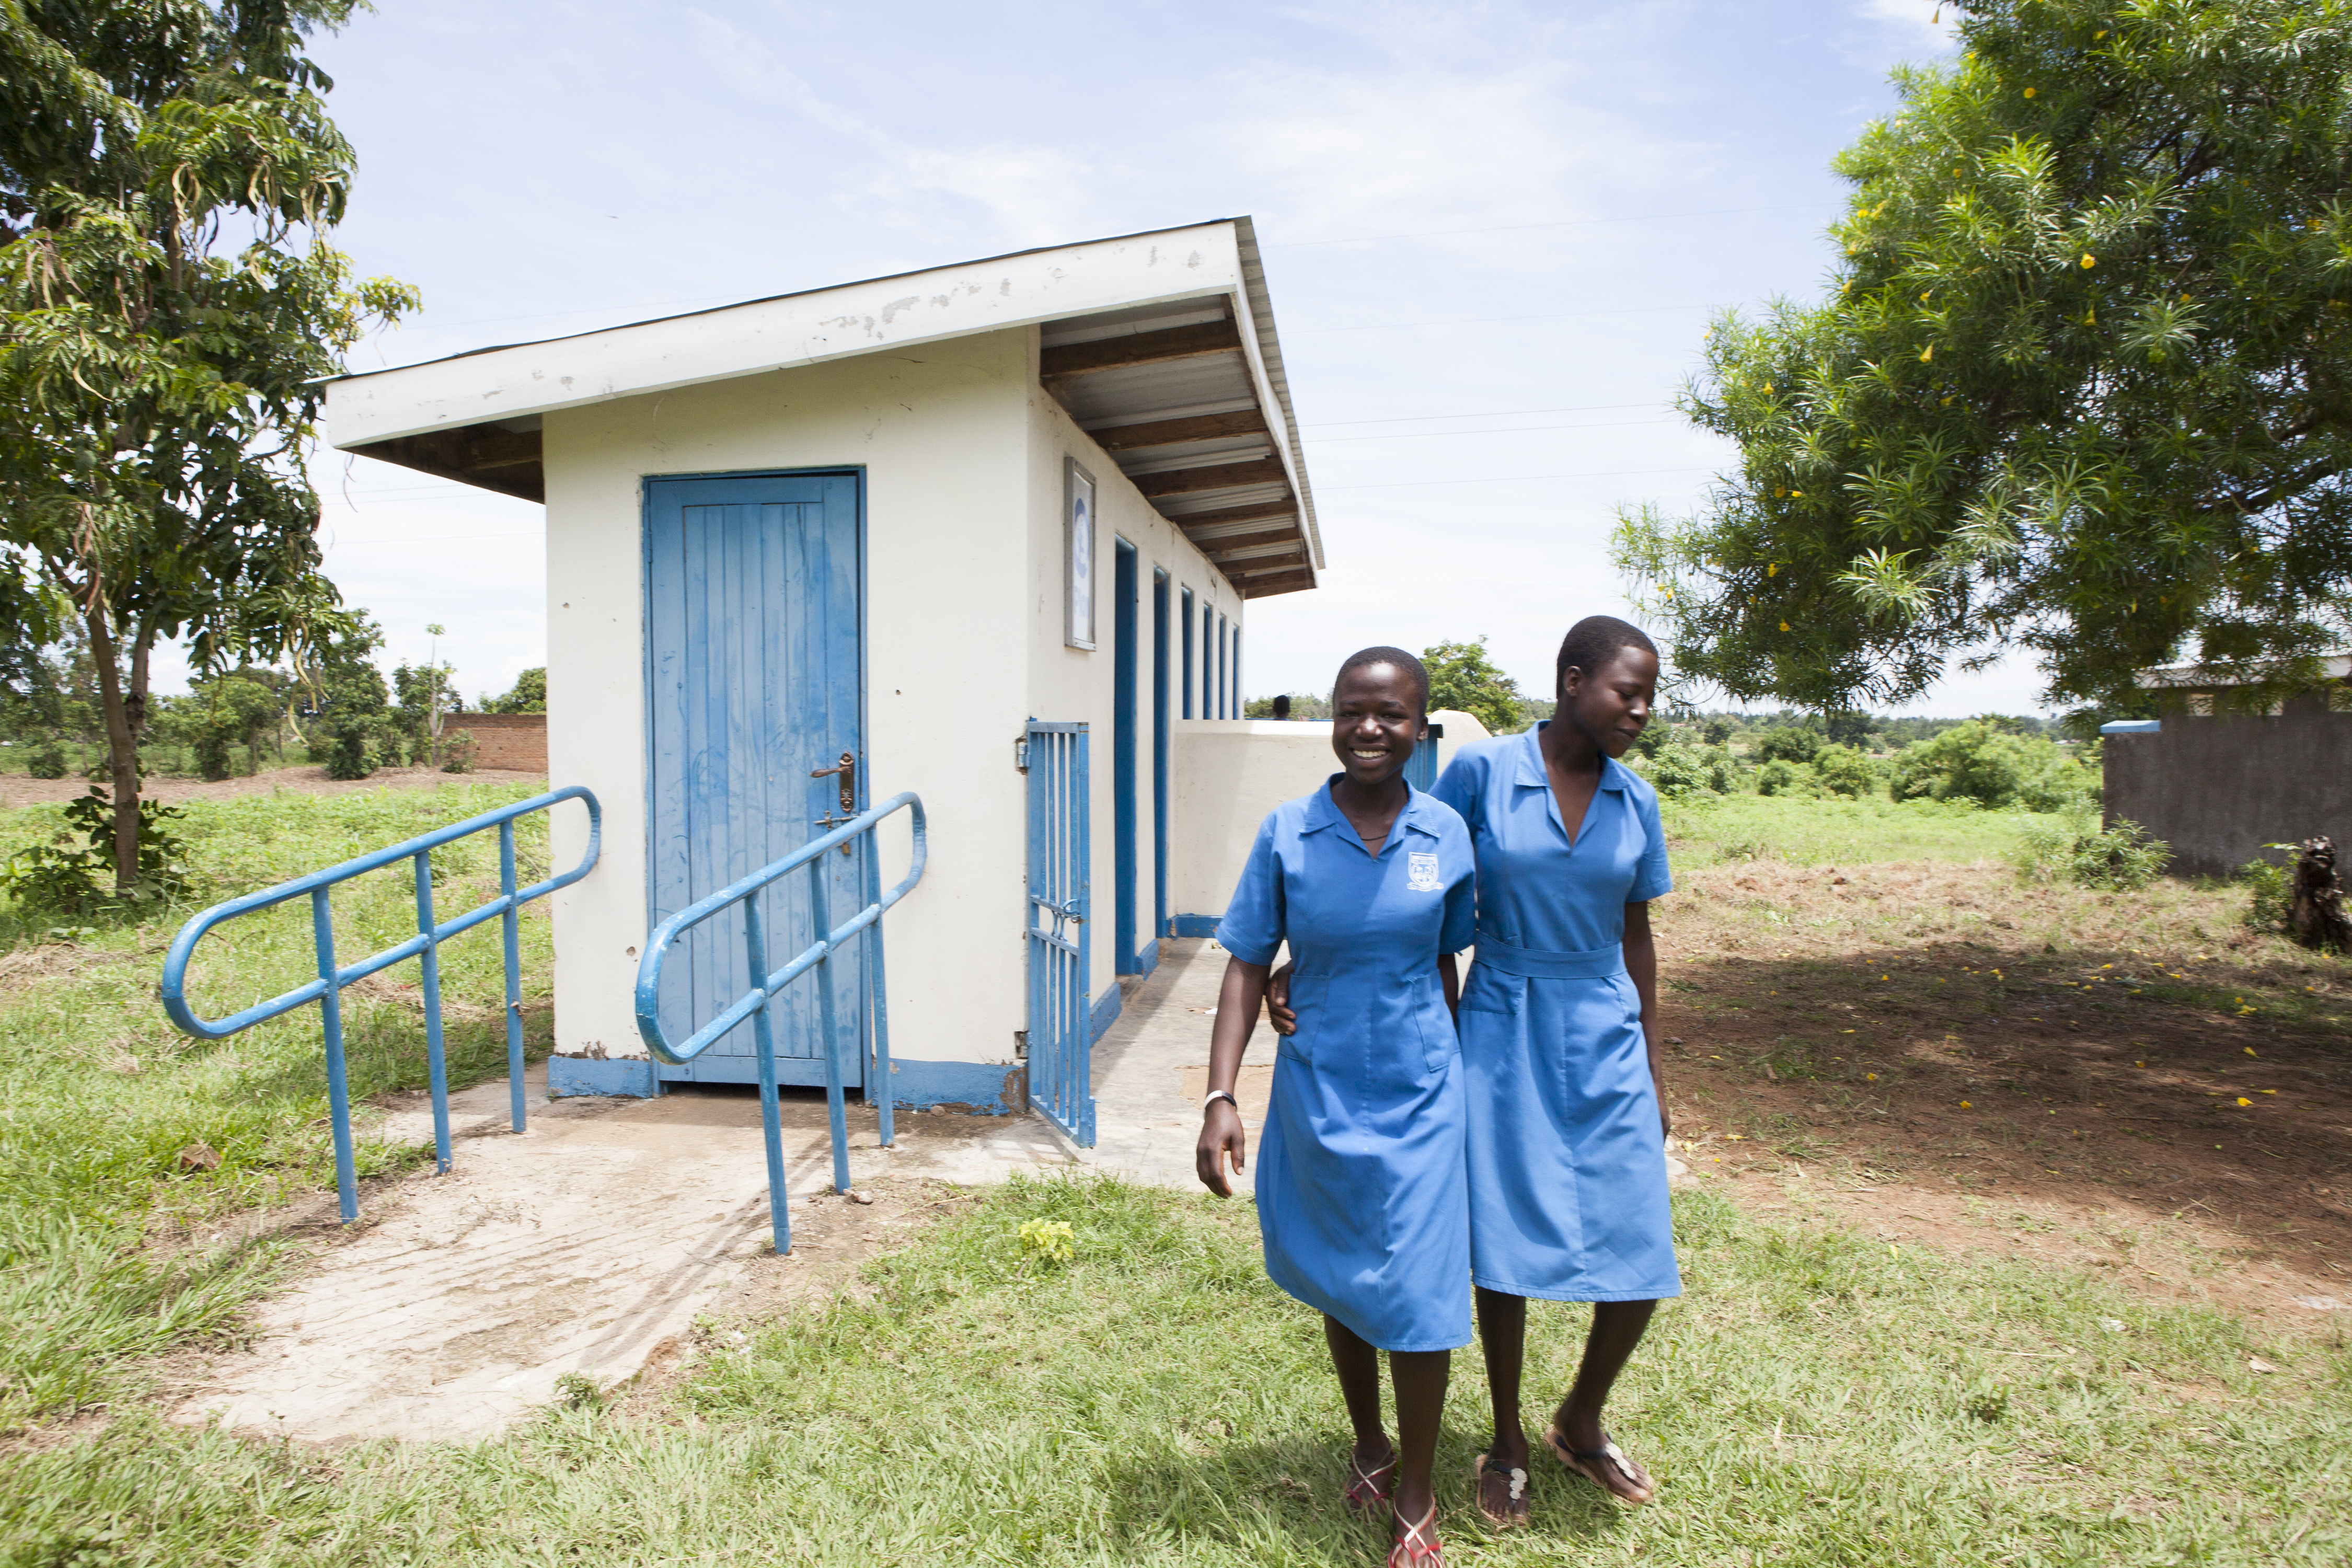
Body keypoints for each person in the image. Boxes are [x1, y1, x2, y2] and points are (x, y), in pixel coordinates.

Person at [1269, 616, 1678, 1528]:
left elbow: (1638, 933)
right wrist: (1323, 957)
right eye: (1628, 691)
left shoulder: (1635, 801)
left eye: (1651, 695)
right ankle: (1507, 1442)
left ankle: (1581, 1416)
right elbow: (1408, 860)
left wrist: (1653, 1060)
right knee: (1499, 1241)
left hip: (1603, 1023)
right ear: (1573, 680)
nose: (1642, 711)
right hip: (1497, 1018)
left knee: (1642, 1246)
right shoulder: (1485, 772)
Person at [1196, 647, 1476, 1568]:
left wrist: (1457, 1062)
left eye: (1391, 714)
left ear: (1420, 726)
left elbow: (1447, 961)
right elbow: (1245, 961)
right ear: (1333, 717)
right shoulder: (1289, 832)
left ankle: (1419, 1492)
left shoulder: (1446, 835)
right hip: (1318, 1091)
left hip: (1425, 1091)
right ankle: (1368, 1442)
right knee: (1347, 1270)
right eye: (1354, 710)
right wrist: (1221, 1094)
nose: (1370, 728)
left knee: (1424, 1286)